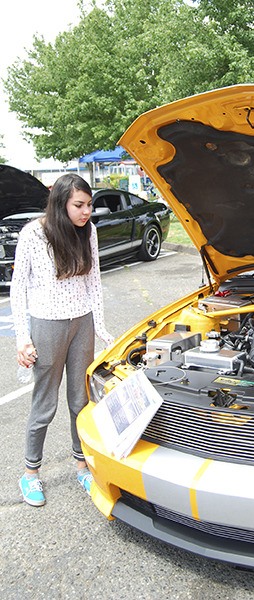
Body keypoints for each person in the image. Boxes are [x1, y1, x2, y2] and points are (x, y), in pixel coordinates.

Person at [10, 173, 114, 507]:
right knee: (44, 403)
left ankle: (81, 465)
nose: (87, 212)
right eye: (79, 205)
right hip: (47, 325)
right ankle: (30, 474)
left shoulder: (90, 232)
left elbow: (94, 282)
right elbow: (18, 287)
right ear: (61, 204)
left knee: (79, 401)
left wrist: (99, 327)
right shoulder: (34, 234)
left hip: (81, 322)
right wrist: (23, 338)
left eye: (89, 205)